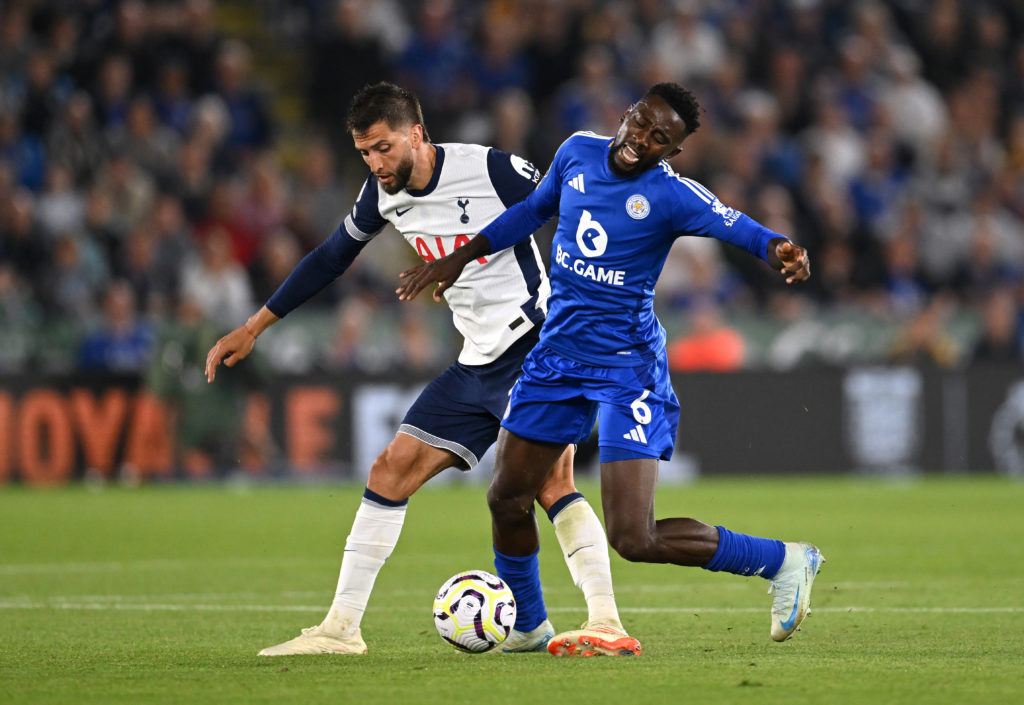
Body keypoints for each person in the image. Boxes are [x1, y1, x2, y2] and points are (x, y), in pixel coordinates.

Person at [205, 82, 635, 656]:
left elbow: (579, 204)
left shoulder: (492, 169)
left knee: (551, 482)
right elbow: (331, 257)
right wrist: (255, 325)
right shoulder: (381, 196)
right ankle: (341, 629)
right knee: (390, 469)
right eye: (363, 152)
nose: (375, 163)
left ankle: (606, 620)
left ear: (416, 133)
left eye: (383, 147)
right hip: (477, 359)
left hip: (538, 348)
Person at [396, 82, 825, 651]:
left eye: (658, 138)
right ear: (626, 115)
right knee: (506, 497)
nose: (640, 140)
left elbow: (739, 227)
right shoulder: (576, 151)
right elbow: (529, 211)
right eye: (640, 122)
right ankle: (528, 625)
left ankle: (784, 561)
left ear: (671, 152)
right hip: (556, 357)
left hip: (628, 368)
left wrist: (781, 249)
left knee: (634, 535)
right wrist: (458, 257)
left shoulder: (671, 194)